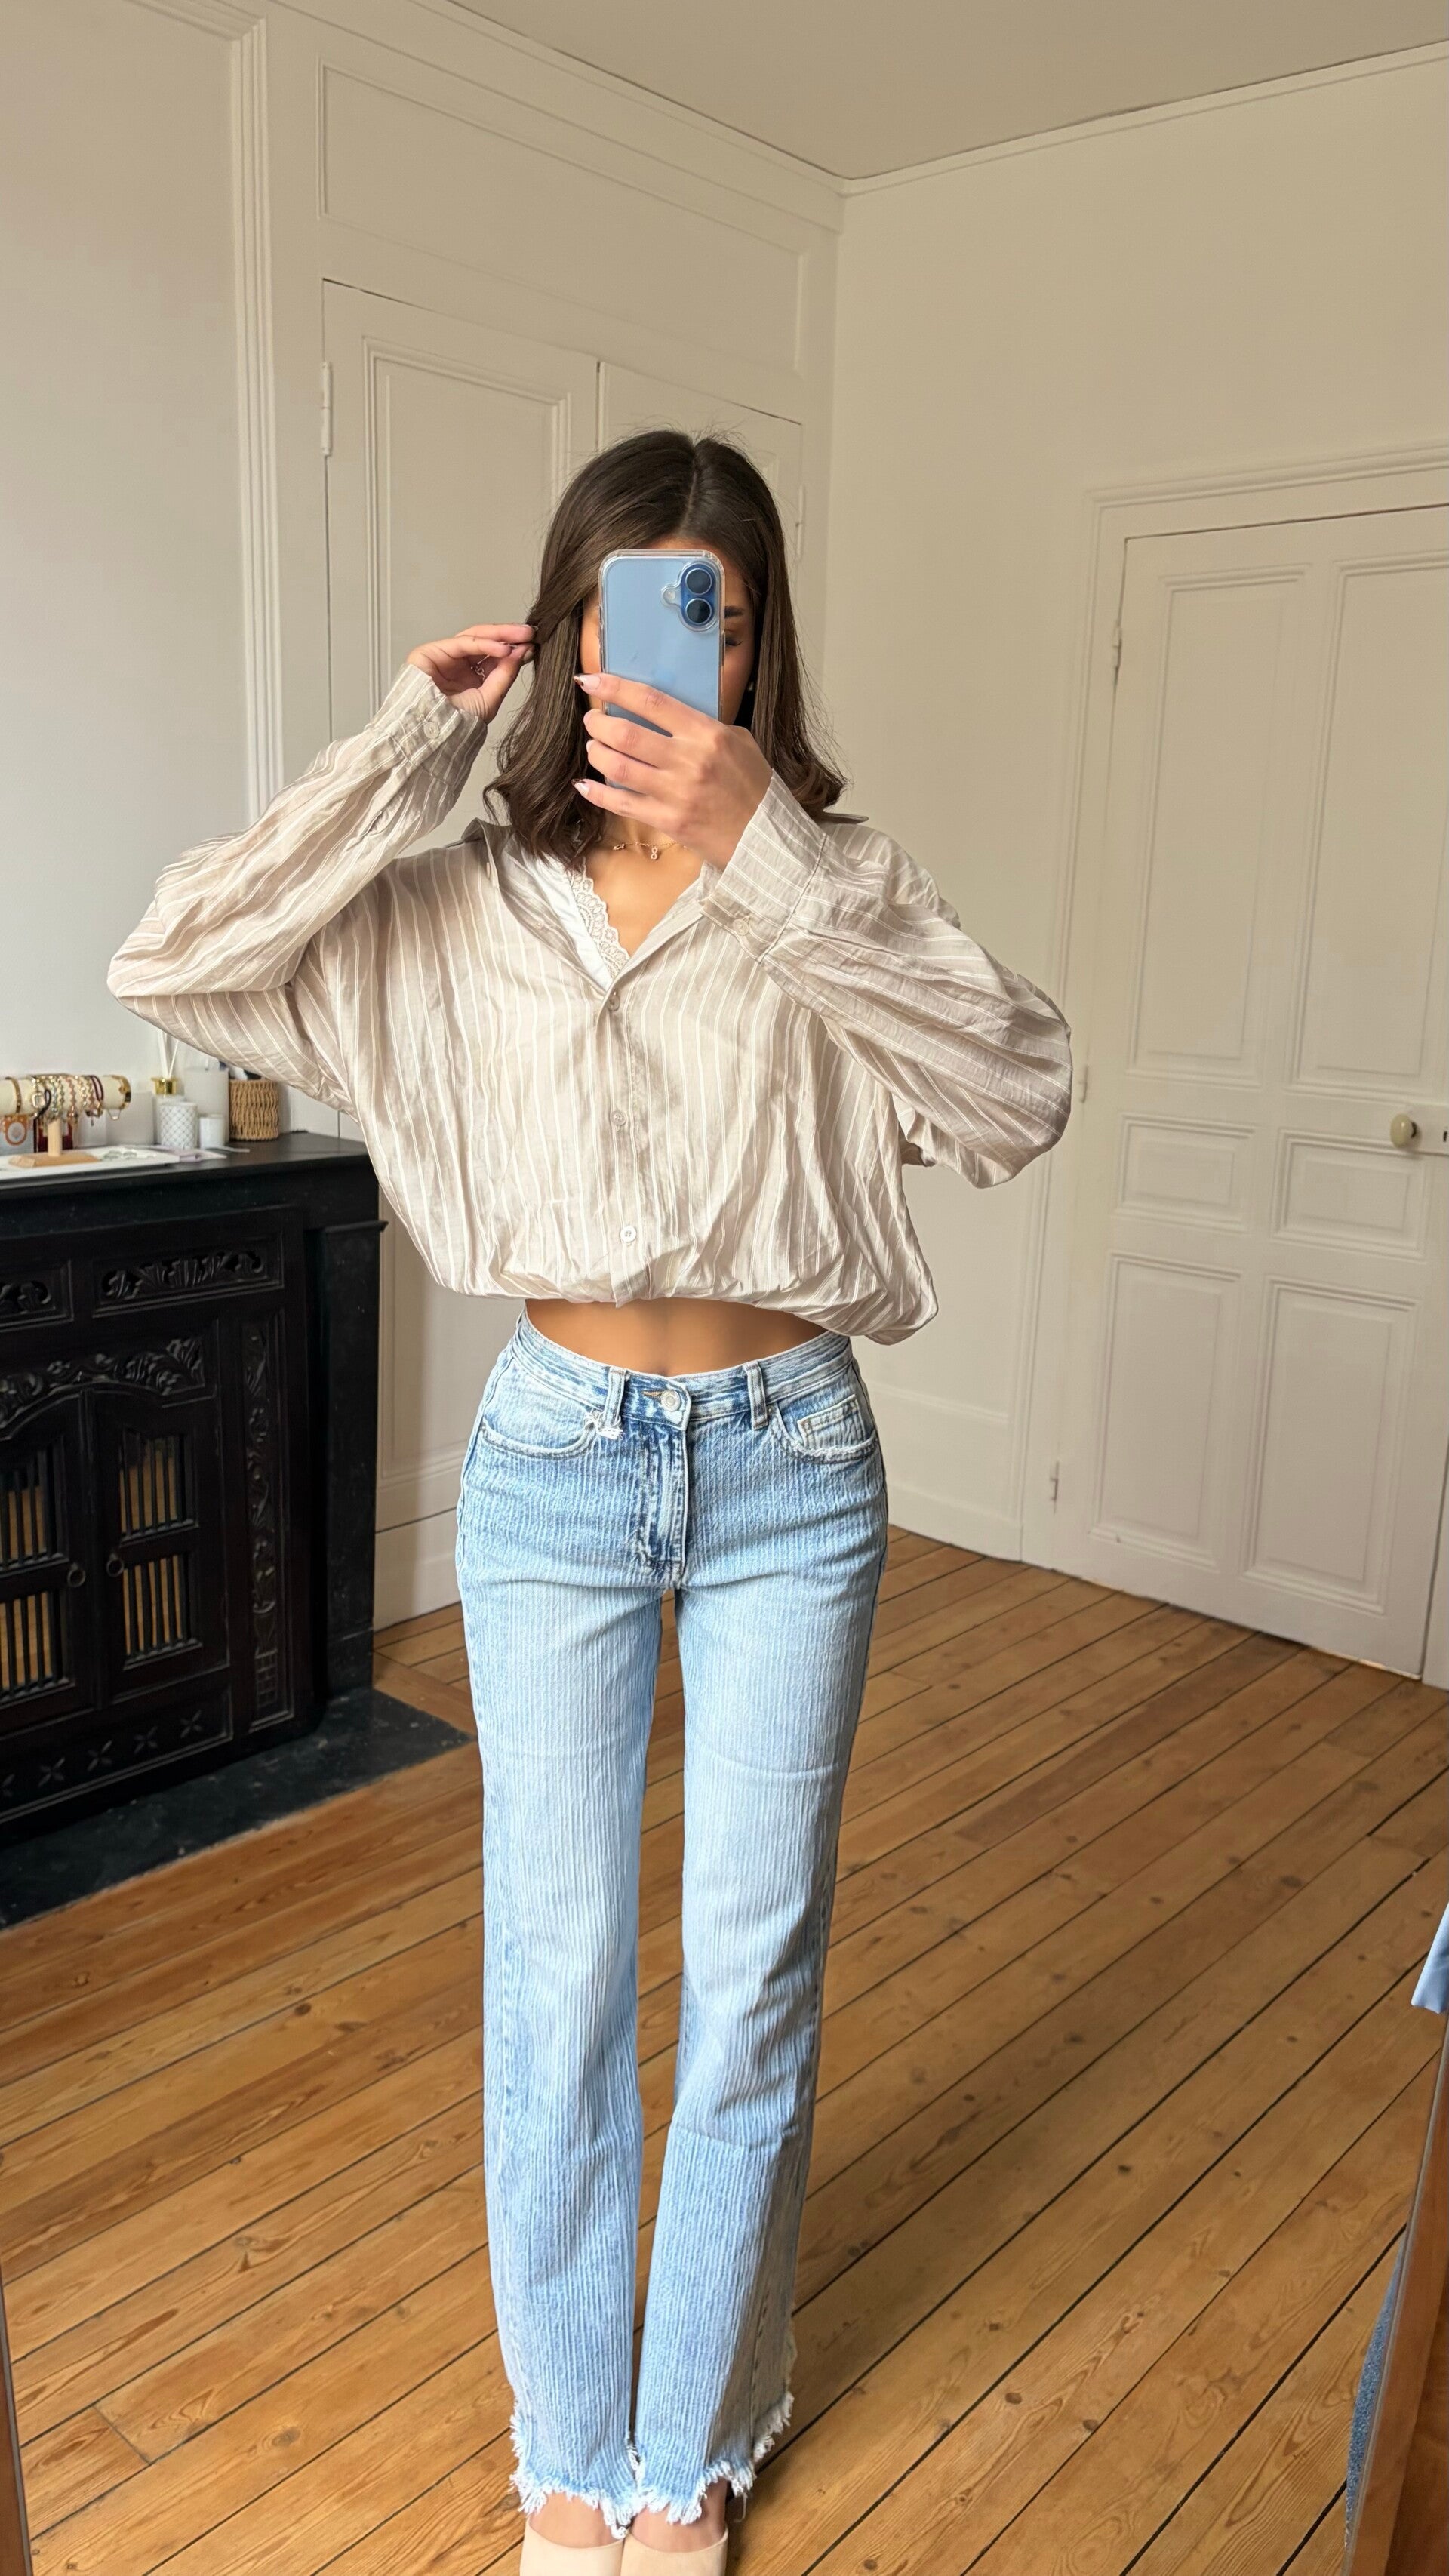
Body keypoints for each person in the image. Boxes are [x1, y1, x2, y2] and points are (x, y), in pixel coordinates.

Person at [109, 431, 1074, 2573]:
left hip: (793, 1464)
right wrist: (406, 743)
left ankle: (690, 2448)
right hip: (553, 1462)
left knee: (754, 1970)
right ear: (558, 639)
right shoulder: (462, 905)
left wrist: (768, 857)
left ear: (756, 644)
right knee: (555, 1978)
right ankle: (568, 2445)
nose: (667, 657)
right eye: (625, 609)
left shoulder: (831, 887)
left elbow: (1021, 1089)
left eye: (707, 614)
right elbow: (174, 958)